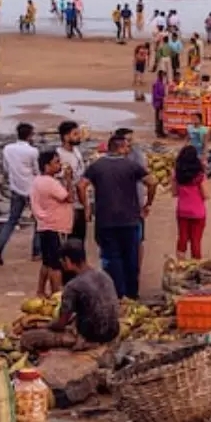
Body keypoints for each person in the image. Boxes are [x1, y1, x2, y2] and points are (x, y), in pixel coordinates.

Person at [79, 133, 156, 299]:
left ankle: (116, 295)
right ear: (120, 147)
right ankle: (132, 294)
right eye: (127, 147)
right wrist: (147, 203)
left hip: (105, 221)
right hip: (130, 220)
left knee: (111, 258)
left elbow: (81, 185)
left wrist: (86, 207)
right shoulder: (131, 166)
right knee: (131, 258)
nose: (128, 150)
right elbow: (152, 182)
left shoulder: (97, 166)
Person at [22, 239, 120, 351]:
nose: (62, 265)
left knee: (27, 338)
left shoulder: (73, 286)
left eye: (62, 261)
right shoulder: (104, 276)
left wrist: (46, 325)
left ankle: (82, 342)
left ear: (68, 261)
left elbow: (61, 324)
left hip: (92, 336)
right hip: (113, 332)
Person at [0, 123, 39, 266]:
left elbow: (6, 168)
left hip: (16, 188)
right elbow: (36, 170)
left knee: (12, 220)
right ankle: (36, 252)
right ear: (30, 135)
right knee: (39, 221)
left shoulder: (8, 149)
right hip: (31, 189)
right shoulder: (33, 151)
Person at [31, 148, 72, 296]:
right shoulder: (51, 183)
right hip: (55, 225)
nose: (59, 165)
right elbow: (69, 197)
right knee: (56, 264)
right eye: (56, 162)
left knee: (47, 262)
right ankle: (56, 293)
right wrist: (68, 180)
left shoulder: (37, 181)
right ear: (47, 166)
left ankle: (41, 291)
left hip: (44, 224)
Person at [173, 145, 207, 261]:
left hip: (182, 211)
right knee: (195, 241)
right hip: (198, 212)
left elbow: (174, 193)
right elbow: (205, 195)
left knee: (182, 239)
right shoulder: (200, 176)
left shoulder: (177, 174)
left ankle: (180, 265)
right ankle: (196, 266)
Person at [57, 121, 89, 241]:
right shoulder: (59, 155)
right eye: (75, 134)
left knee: (81, 237)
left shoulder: (76, 151)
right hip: (68, 204)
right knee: (70, 240)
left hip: (80, 200)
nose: (79, 136)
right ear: (66, 137)